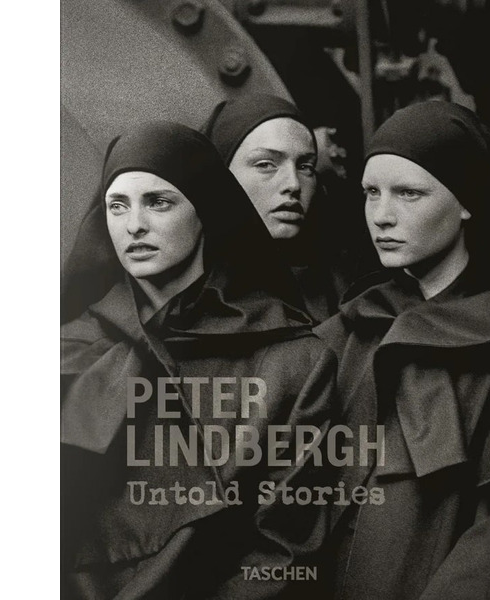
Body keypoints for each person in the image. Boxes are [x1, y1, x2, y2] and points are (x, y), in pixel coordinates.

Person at [61, 122, 337, 599]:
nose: (134, 224)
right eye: (117, 205)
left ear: (206, 210)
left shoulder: (295, 362)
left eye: (159, 202)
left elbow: (285, 552)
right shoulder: (66, 350)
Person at [315, 101, 490, 599]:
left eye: (409, 193)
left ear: (466, 202)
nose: (382, 216)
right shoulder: (343, 333)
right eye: (371, 193)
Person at [203, 93, 351, 324]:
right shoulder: (187, 299)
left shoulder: (343, 293)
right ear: (221, 175)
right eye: (265, 164)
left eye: (305, 166)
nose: (293, 184)